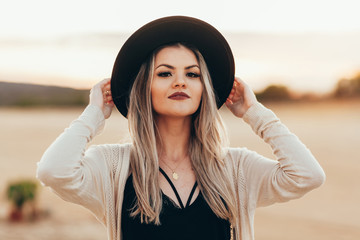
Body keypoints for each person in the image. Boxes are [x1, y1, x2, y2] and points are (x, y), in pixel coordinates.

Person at [36, 16, 325, 240]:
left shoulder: (235, 169)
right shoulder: (113, 167)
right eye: (164, 73)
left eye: (192, 73)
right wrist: (94, 114)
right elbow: (53, 171)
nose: (180, 82)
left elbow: (307, 175)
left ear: (204, 90)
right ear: (144, 88)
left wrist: (254, 112)